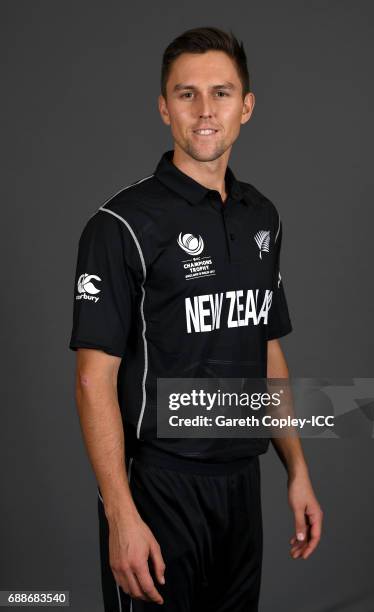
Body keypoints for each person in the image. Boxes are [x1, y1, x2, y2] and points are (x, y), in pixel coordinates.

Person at [69, 26, 323, 612]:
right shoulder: (122, 224)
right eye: (187, 94)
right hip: (159, 487)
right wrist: (120, 516)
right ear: (164, 107)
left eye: (221, 93)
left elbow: (266, 351)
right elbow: (92, 380)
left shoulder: (262, 215)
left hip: (241, 484)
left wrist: (297, 470)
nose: (205, 111)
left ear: (247, 106)